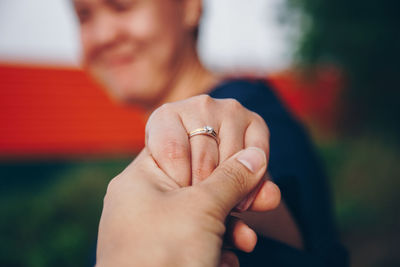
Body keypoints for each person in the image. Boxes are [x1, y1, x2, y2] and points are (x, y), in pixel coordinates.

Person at [72, 0, 348, 266]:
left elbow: (285, 227)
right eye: (84, 15)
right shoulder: (157, 149)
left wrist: (220, 147)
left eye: (122, 5)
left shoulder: (249, 112)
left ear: (190, 6)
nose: (103, 35)